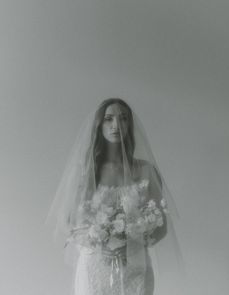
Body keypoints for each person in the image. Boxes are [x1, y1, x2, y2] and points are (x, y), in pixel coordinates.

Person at [46, 98, 184, 295]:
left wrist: (132, 242)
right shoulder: (86, 172)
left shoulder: (145, 171)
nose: (116, 125)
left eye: (123, 119)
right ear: (99, 125)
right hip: (95, 265)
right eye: (108, 119)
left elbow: (161, 227)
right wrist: (99, 241)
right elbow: (69, 223)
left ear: (130, 125)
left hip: (134, 267)